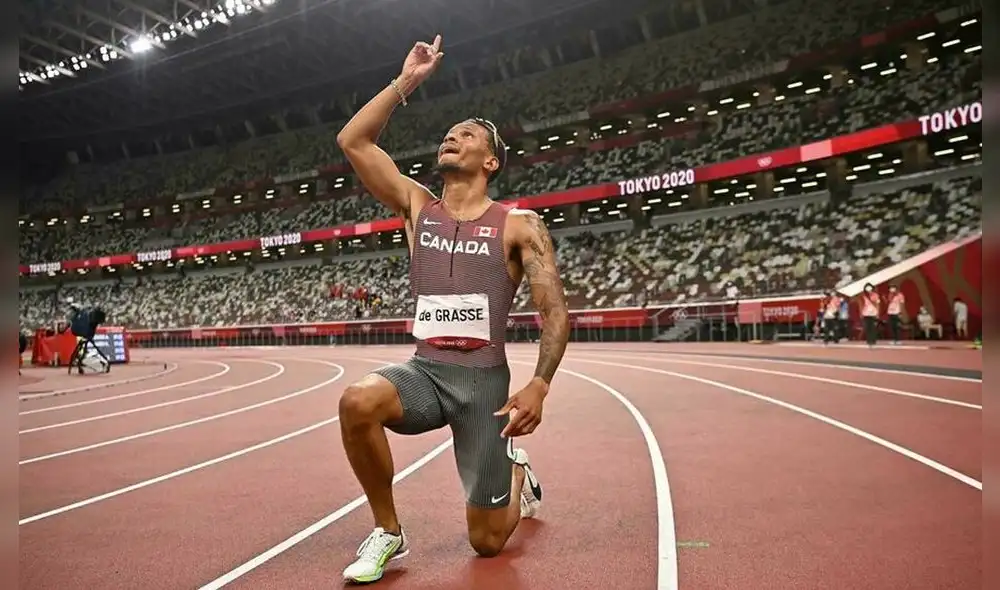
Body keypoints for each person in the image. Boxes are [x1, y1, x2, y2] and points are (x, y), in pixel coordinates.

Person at [335, 34, 571, 584]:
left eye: (465, 135)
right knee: (356, 401)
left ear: (490, 160)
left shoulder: (519, 225)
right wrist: (406, 83)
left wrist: (540, 384)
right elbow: (353, 140)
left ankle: (516, 472)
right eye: (448, 133)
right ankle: (388, 531)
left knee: (486, 544)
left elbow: (554, 311)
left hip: (483, 387)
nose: (451, 138)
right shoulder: (418, 206)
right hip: (425, 373)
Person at [860, 283, 880, 347]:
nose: (868, 288)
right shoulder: (863, 295)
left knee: (873, 328)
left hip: (873, 313)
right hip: (866, 313)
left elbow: (878, 304)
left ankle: (873, 340)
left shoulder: (875, 295)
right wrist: (861, 313)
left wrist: (878, 313)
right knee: (867, 328)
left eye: (869, 287)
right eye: (867, 287)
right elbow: (861, 305)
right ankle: (869, 341)